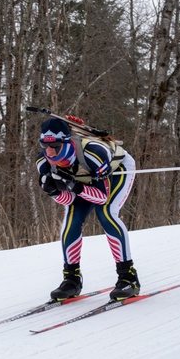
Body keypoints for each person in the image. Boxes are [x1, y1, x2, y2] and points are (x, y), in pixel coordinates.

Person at [35, 115, 141, 302]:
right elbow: (68, 200)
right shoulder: (43, 163)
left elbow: (101, 198)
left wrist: (74, 186)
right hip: (83, 182)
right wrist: (53, 191)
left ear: (66, 143)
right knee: (72, 220)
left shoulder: (94, 153)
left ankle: (128, 278)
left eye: (55, 146)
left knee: (106, 213)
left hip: (116, 171)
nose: (49, 152)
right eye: (45, 145)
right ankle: (72, 279)